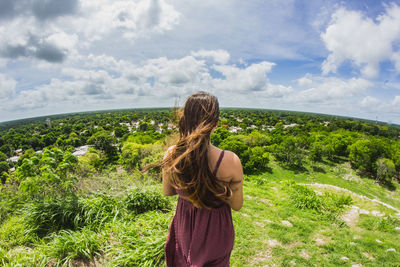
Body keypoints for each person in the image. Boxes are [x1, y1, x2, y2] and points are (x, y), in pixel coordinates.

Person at [160, 91, 244, 266]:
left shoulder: (172, 155)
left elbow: (167, 192)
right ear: (216, 124)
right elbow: (237, 205)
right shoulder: (231, 161)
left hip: (186, 226)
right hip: (217, 230)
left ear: (185, 119)